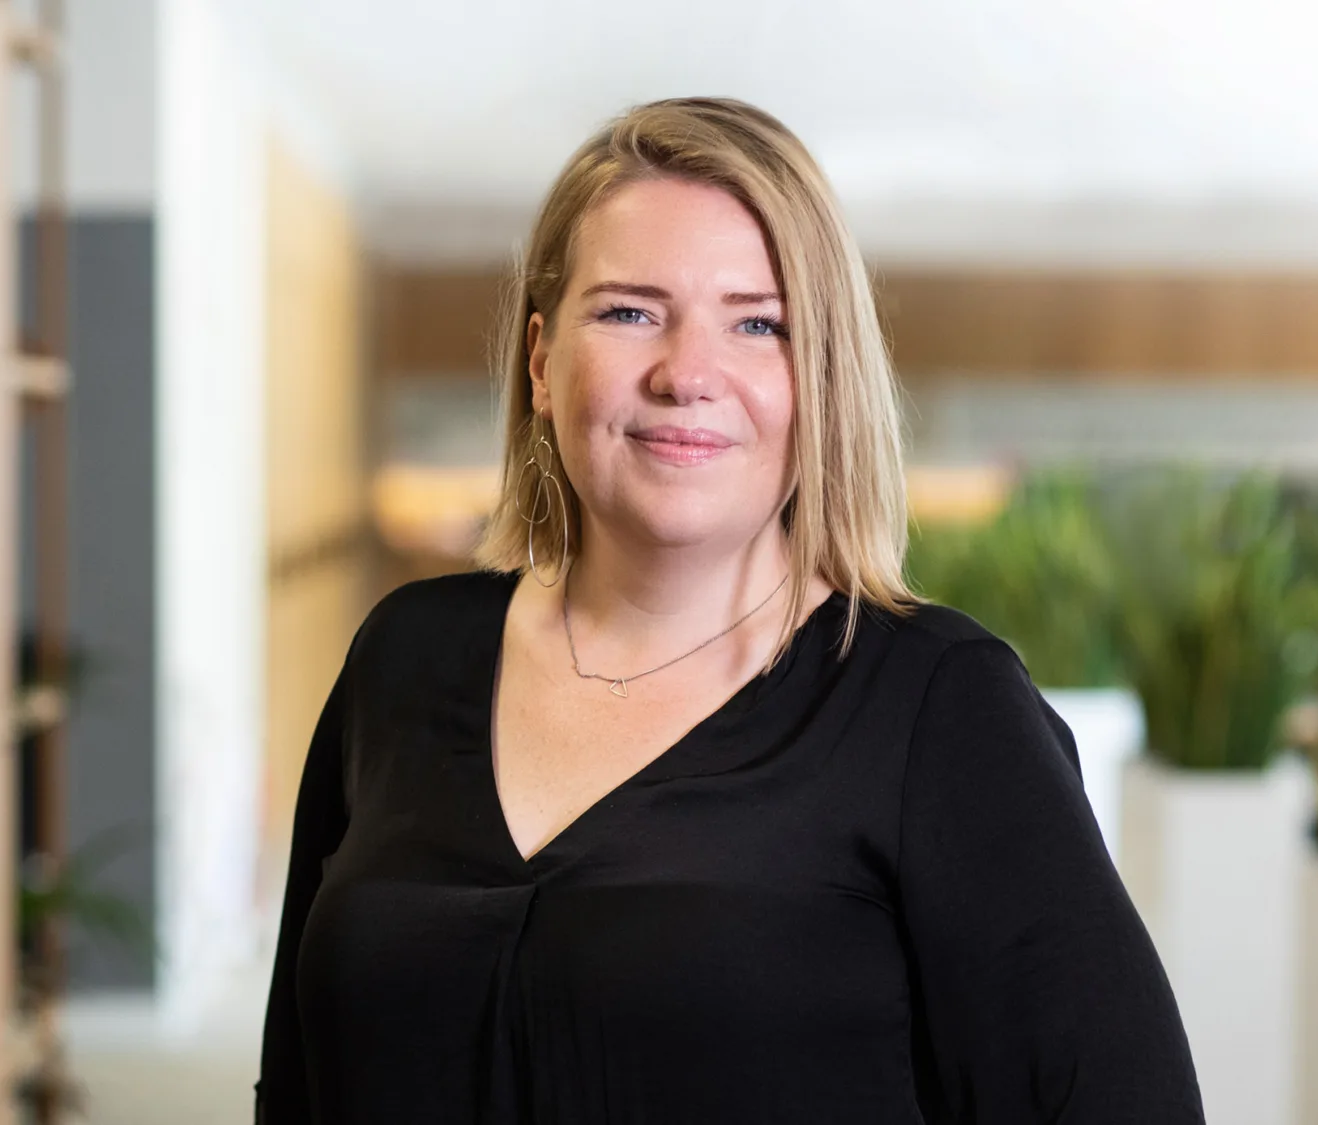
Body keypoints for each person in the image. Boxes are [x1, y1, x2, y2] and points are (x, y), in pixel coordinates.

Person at [256, 96, 1202, 1124]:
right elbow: (298, 1087)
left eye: (758, 324)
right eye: (629, 312)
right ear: (539, 361)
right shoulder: (404, 658)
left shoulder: (941, 710)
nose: (687, 375)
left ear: (821, 380)